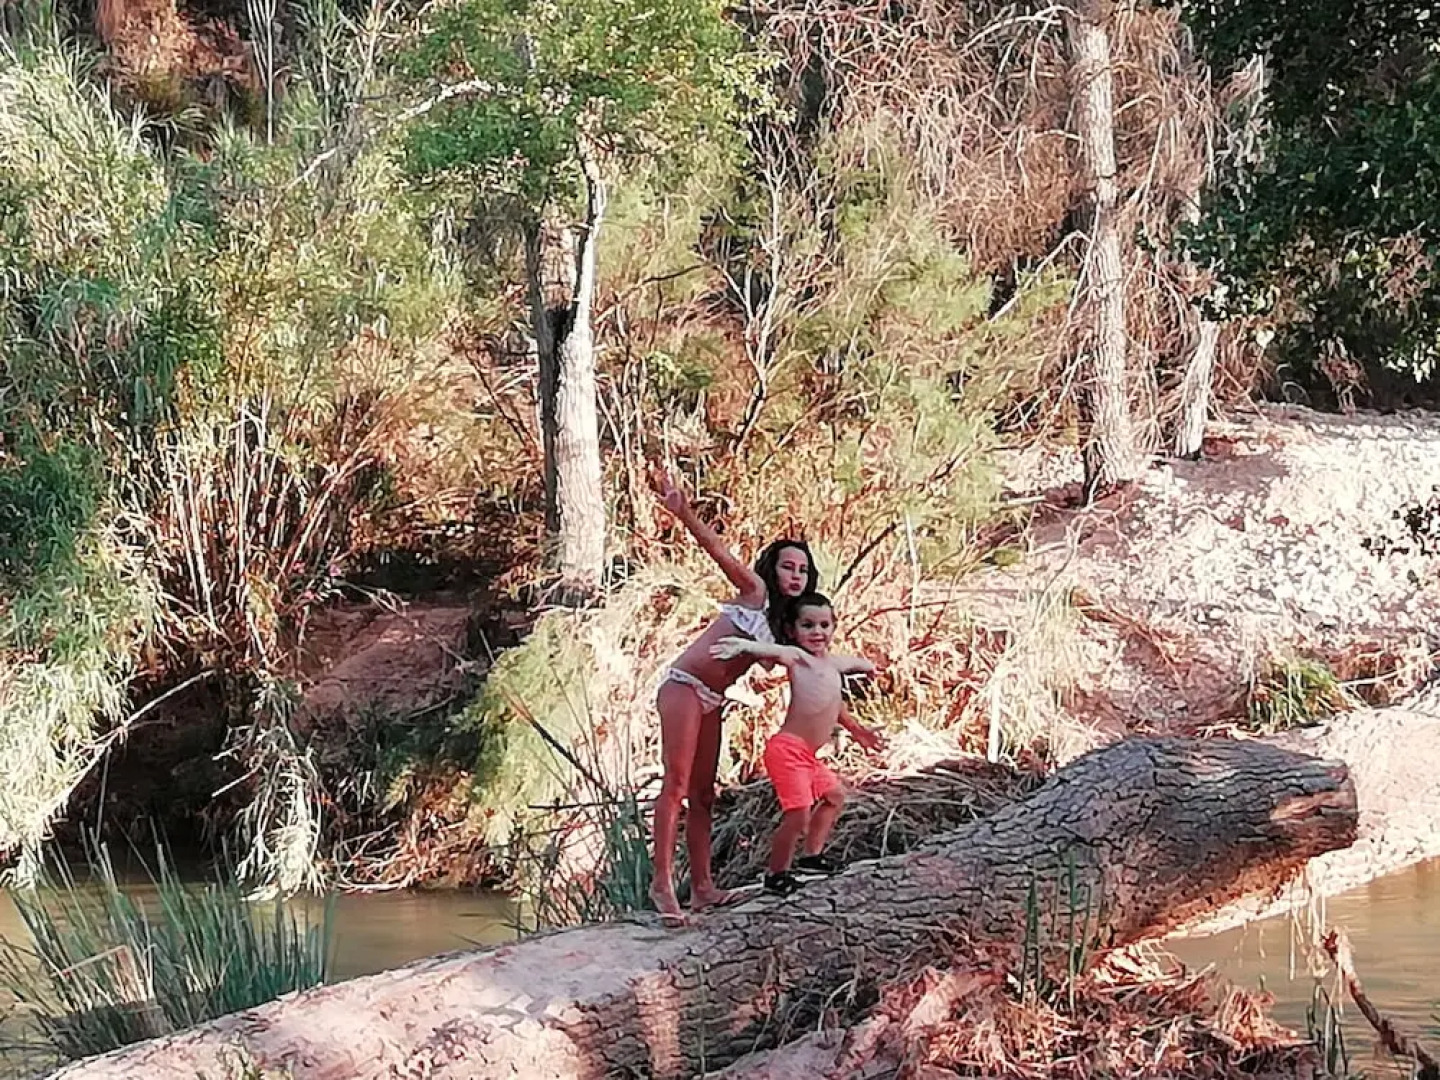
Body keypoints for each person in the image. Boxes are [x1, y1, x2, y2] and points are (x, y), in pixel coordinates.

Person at [649, 466, 818, 924]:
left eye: (803, 569)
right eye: (788, 565)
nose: (795, 575)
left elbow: (803, 664)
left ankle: (703, 887)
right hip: (684, 687)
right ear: (772, 568)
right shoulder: (754, 593)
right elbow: (717, 551)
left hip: (714, 699)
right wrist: (683, 511)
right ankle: (662, 884)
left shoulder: (787, 626)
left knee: (704, 795)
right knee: (677, 784)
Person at [711, 591, 885, 897]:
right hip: (787, 750)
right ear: (793, 631)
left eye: (823, 625)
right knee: (799, 813)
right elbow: (776, 651)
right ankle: (776, 873)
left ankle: (811, 857)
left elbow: (838, 697)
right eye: (808, 625)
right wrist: (745, 646)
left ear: (833, 627)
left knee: (833, 796)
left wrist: (859, 728)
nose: (817, 632)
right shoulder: (800, 659)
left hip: (807, 755)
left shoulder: (831, 667)